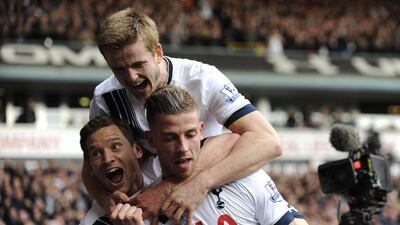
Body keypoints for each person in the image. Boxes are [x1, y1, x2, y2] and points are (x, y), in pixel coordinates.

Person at [86, 7, 283, 222]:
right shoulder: (105, 98)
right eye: (119, 69)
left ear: (158, 52)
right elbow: (89, 167)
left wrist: (191, 185)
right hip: (143, 196)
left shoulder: (203, 79)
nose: (131, 77)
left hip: (204, 177)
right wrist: (106, 199)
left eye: (138, 64)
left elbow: (267, 141)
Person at [80, 86, 308, 225]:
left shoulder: (244, 176)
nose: (183, 147)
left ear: (200, 131)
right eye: (170, 138)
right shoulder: (144, 211)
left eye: (190, 135)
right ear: (151, 141)